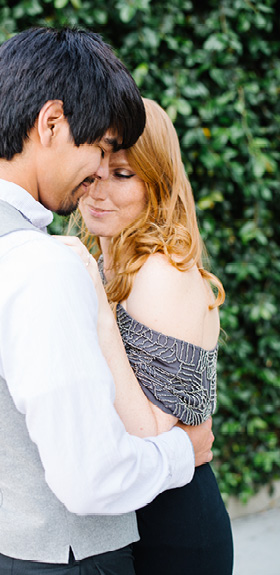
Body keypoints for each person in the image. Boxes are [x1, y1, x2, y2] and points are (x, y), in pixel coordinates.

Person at [0, 28, 214, 574]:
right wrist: (183, 454)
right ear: (51, 123)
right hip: (65, 558)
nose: (100, 171)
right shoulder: (40, 263)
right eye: (100, 147)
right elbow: (92, 478)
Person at [66, 98, 233, 574]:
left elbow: (150, 433)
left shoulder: (160, 270)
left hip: (173, 526)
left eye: (122, 175)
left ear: (156, 181)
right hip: (124, 515)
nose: (98, 192)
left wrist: (96, 304)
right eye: (93, 171)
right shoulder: (108, 260)